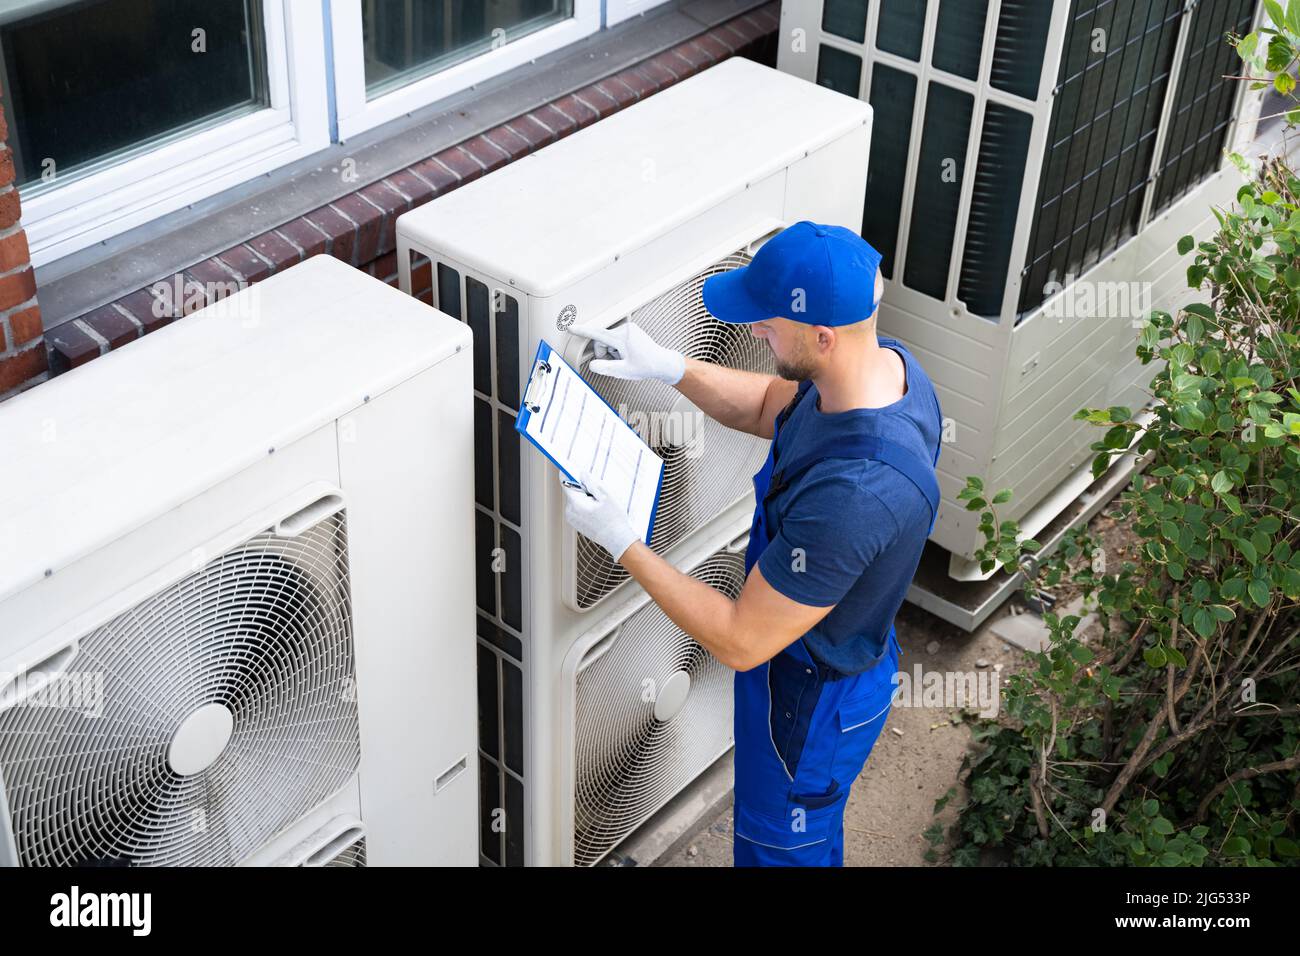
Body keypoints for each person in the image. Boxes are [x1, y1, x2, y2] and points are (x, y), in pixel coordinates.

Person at [562, 220, 942, 866]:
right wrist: (670, 367)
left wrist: (623, 544)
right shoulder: (882, 370)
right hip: (818, 653)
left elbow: (740, 638)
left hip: (808, 704)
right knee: (811, 840)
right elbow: (770, 402)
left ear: (822, 338)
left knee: (782, 845)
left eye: (767, 324)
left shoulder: (856, 494)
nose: (756, 333)